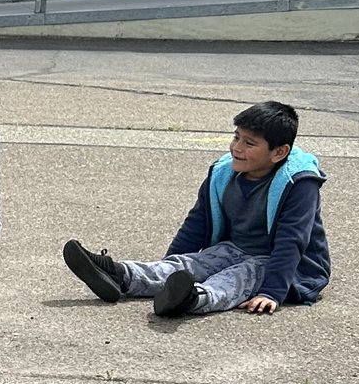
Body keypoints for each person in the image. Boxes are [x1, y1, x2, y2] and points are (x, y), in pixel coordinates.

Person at [62, 101, 329, 318]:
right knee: (191, 263)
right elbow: (198, 223)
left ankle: (192, 299)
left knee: (238, 277)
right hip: (233, 249)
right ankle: (119, 275)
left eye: (249, 143)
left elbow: (291, 240)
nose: (236, 148)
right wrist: (170, 271)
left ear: (279, 152)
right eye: (236, 137)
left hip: (284, 265)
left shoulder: (299, 183)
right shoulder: (223, 173)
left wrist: (272, 292)